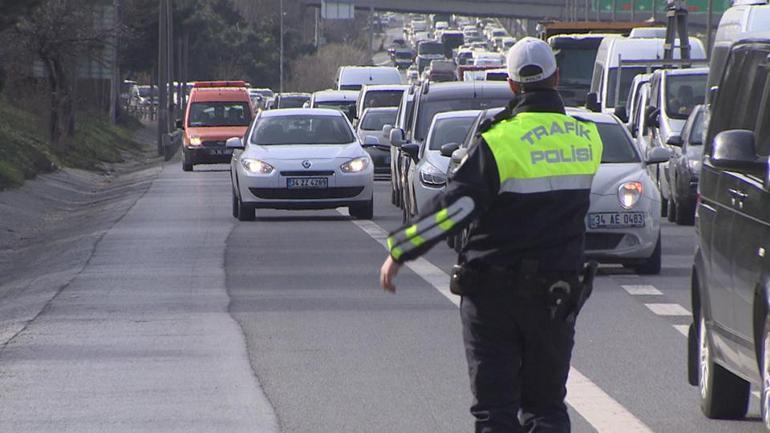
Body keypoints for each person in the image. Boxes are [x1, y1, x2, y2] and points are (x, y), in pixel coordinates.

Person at [379, 37, 603, 433]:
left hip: (494, 296)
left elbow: (457, 209)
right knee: (547, 407)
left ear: (512, 85)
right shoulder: (587, 139)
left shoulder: (498, 142)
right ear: (557, 78)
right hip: (557, 296)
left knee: (496, 411)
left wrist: (401, 249)